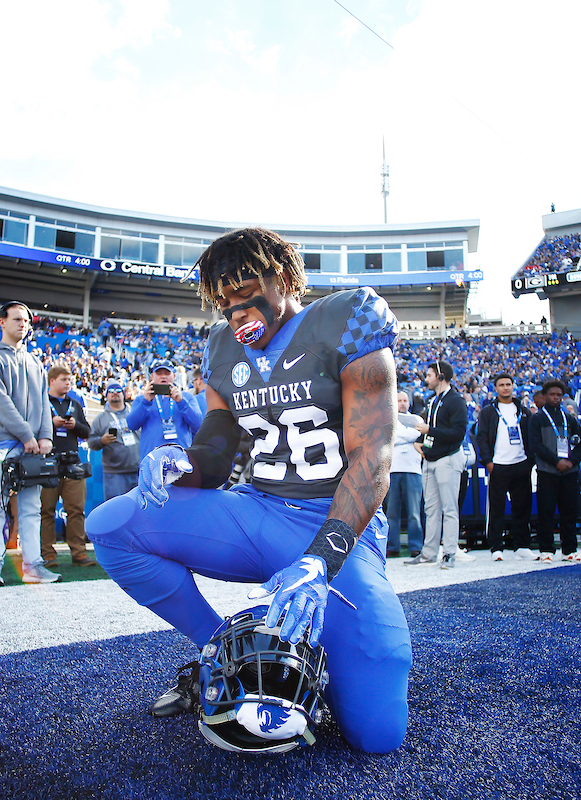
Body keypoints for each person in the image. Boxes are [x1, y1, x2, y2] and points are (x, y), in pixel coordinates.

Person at [86, 227, 412, 754]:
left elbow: (372, 455)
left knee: (377, 733)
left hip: (333, 529)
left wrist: (322, 560)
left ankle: (317, 656)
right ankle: (227, 653)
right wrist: (180, 463)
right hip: (256, 511)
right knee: (113, 526)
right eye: (223, 304)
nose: (235, 313)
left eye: (243, 295)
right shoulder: (221, 350)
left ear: (281, 277)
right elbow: (215, 456)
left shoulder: (348, 318)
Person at [0, 301, 60, 588]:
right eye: (16, 319)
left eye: (26, 320)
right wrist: (28, 434)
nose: (23, 324)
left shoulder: (34, 361)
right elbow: (0, 402)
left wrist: (45, 436)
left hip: (32, 447)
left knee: (30, 509)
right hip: (0, 445)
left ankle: (33, 567)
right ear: (1, 322)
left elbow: (44, 402)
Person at [408, 360, 468, 569]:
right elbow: (431, 429)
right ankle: (429, 553)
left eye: (430, 375)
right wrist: (420, 442)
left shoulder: (456, 401)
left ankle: (450, 552)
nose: (426, 379)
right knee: (431, 509)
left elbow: (459, 433)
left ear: (441, 377)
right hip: (431, 458)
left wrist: (429, 432)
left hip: (448, 458)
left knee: (450, 509)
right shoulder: (433, 401)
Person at [474, 373, 534, 562]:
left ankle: (521, 545)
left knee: (522, 507)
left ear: (513, 386)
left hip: (520, 463)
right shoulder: (488, 411)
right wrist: (488, 462)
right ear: (496, 388)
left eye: (508, 384)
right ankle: (496, 547)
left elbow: (531, 437)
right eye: (501, 385)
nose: (505, 388)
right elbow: (482, 438)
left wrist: (529, 461)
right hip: (498, 465)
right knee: (497, 508)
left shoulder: (523, 411)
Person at [40, 364, 94, 569]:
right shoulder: (42, 403)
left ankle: (79, 553)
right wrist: (50, 423)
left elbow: (87, 432)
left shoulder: (75, 404)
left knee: (76, 510)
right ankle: (47, 554)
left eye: (69, 380)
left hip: (72, 463)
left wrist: (75, 426)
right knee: (46, 510)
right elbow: (34, 427)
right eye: (64, 380)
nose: (68, 384)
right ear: (52, 380)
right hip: (48, 463)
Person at [530, 379, 581, 563]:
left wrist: (571, 462)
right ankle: (546, 549)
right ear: (545, 396)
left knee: (569, 511)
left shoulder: (569, 418)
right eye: (552, 395)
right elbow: (536, 445)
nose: (556, 398)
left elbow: (580, 443)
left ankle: (569, 549)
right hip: (548, 471)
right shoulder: (537, 418)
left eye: (559, 395)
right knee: (546, 512)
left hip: (569, 473)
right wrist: (556, 461)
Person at [127, 359, 203, 458]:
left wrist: (181, 402)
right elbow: (132, 425)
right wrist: (145, 403)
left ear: (174, 376)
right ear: (152, 376)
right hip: (152, 459)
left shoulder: (187, 397)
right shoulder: (141, 399)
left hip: (180, 460)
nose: (163, 376)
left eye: (167, 373)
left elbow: (198, 424)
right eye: (159, 373)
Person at [88, 380, 140, 500]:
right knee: (118, 511)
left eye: (118, 390)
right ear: (106, 396)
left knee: (141, 511)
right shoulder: (100, 419)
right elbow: (91, 442)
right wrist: (101, 440)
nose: (115, 393)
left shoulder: (135, 413)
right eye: (111, 391)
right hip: (115, 474)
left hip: (138, 470)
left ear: (124, 394)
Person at [386, 391, 422, 558]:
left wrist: (398, 437)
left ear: (409, 402)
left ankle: (416, 546)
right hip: (392, 471)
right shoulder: (388, 419)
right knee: (392, 513)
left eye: (404, 400)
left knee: (414, 512)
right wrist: (407, 438)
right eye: (399, 400)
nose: (402, 403)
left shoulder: (417, 419)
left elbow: (417, 434)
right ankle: (393, 546)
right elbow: (389, 438)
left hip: (413, 470)